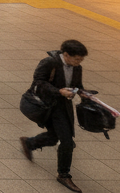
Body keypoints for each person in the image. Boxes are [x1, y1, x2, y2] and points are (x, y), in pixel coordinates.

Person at [19, 40, 89, 192]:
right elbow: (38, 81)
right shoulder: (49, 62)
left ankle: (30, 143)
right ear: (66, 55)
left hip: (62, 107)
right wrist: (59, 91)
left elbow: (78, 85)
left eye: (81, 60)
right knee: (67, 141)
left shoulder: (78, 68)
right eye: (77, 59)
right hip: (46, 105)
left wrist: (83, 93)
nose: (79, 63)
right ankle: (63, 174)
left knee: (54, 137)